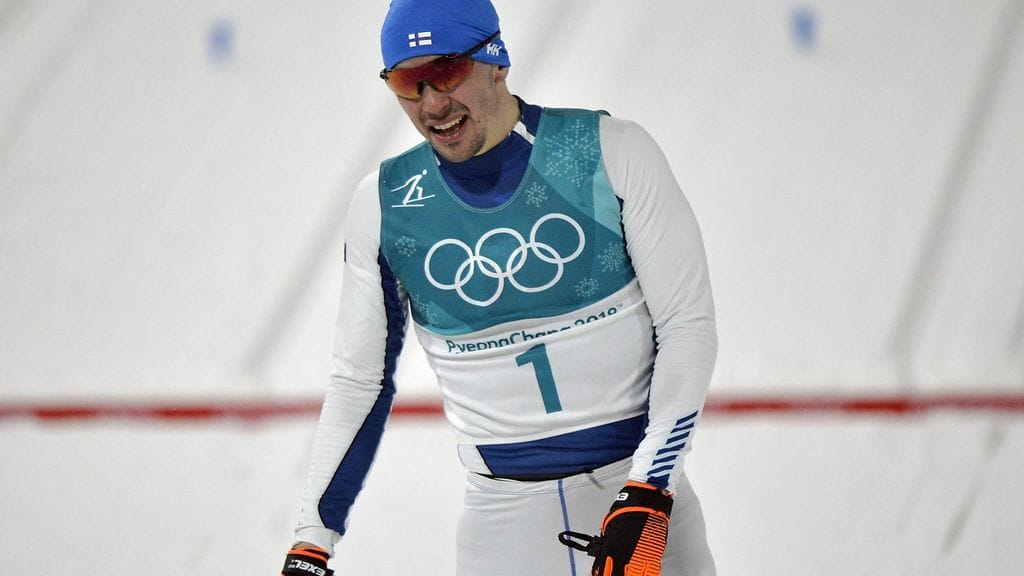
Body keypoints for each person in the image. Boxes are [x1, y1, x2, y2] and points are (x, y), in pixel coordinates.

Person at [280, 1, 718, 574]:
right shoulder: (384, 205)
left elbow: (686, 326)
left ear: (497, 60)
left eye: (447, 72)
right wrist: (311, 542)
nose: (432, 104)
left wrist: (650, 490)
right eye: (408, 83)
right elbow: (360, 381)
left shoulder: (610, 151)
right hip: (503, 525)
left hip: (637, 502)